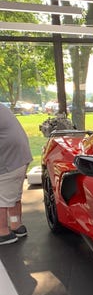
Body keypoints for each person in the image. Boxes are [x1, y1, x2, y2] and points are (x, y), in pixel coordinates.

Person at [0, 104, 33, 245]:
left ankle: (3, 233)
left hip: (9, 161)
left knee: (2, 199)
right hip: (19, 158)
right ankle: (16, 226)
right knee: (13, 195)